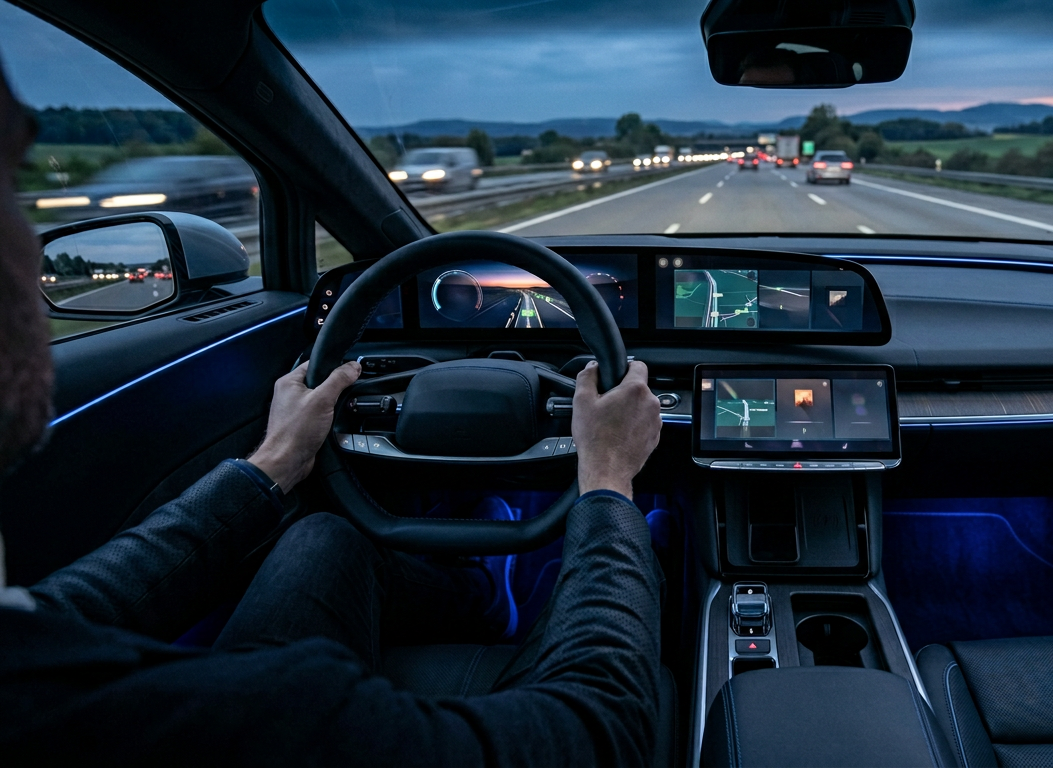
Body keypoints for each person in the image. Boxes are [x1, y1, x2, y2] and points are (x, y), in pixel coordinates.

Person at [0, 59, 667, 765]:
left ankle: (479, 594)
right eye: (11, 188)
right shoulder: (269, 718)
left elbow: (79, 605)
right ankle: (502, 590)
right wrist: (606, 481)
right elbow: (600, 733)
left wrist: (272, 464)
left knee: (325, 533)